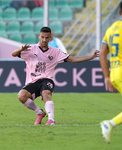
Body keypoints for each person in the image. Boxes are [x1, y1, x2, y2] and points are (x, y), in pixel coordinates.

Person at [12, 27, 99, 125]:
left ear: (50, 38)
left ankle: (51, 119)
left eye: (47, 38)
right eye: (43, 37)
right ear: (39, 36)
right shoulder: (30, 49)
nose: (44, 40)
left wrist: (91, 57)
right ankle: (39, 112)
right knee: (21, 96)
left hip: (47, 79)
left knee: (46, 94)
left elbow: (73, 59)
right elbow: (13, 54)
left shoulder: (56, 52)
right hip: (33, 81)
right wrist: (20, 49)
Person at [99, 1, 122, 144]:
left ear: (119, 13)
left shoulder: (111, 29)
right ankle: (110, 124)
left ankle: (110, 124)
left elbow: (102, 54)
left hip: (115, 72)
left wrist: (107, 76)